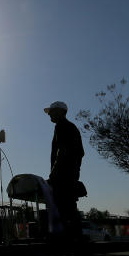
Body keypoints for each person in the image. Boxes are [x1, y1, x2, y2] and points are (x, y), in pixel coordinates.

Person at [44, 100, 84, 240]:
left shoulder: (62, 127)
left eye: (52, 112)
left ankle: (68, 237)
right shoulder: (69, 127)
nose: (50, 116)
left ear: (60, 112)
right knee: (68, 205)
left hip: (64, 174)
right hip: (69, 173)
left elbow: (63, 152)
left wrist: (54, 173)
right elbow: (79, 153)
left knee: (63, 205)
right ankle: (74, 236)